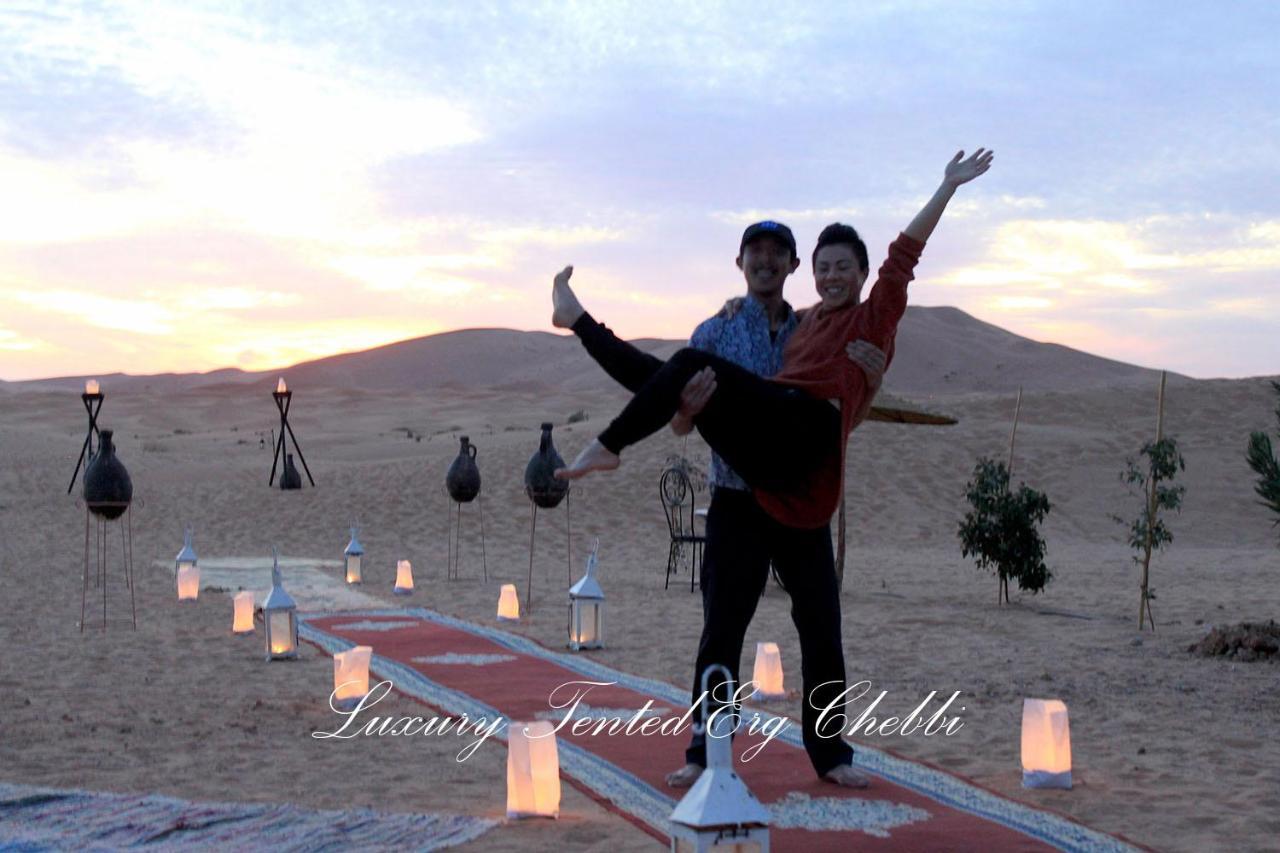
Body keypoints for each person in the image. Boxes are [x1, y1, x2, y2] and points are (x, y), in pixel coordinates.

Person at [551, 148, 992, 787]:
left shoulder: (822, 323)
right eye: (755, 253)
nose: (767, 262)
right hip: (737, 490)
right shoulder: (719, 327)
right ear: (743, 264)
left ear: (792, 267)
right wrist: (681, 419)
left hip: (801, 487)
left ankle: (831, 753)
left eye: (780, 255)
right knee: (720, 631)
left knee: (821, 626)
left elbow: (889, 289)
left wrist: (944, 190)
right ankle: (705, 753)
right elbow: (675, 410)